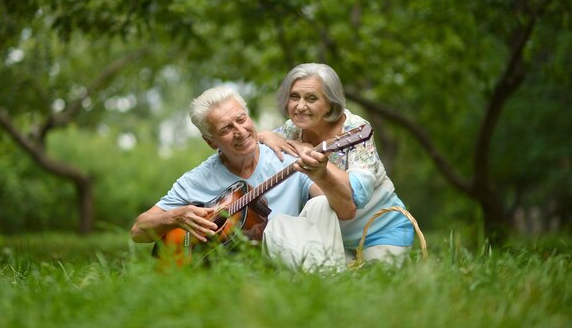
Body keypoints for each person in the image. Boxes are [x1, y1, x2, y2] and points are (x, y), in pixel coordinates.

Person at [131, 85, 356, 271]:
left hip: (293, 260)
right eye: (226, 128)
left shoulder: (286, 159)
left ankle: (333, 281)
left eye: (241, 119)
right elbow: (138, 231)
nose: (240, 131)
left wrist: (323, 174)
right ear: (211, 142)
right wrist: (176, 216)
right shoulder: (196, 180)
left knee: (318, 205)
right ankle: (337, 280)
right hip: (233, 272)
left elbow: (346, 210)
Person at [258, 63, 415, 265]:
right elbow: (248, 146)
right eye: (294, 96)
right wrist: (264, 136)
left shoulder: (356, 129)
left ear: (330, 104)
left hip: (380, 232)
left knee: (373, 288)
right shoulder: (293, 129)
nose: (300, 106)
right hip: (332, 236)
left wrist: (310, 154)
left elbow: (357, 195)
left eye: (311, 98)